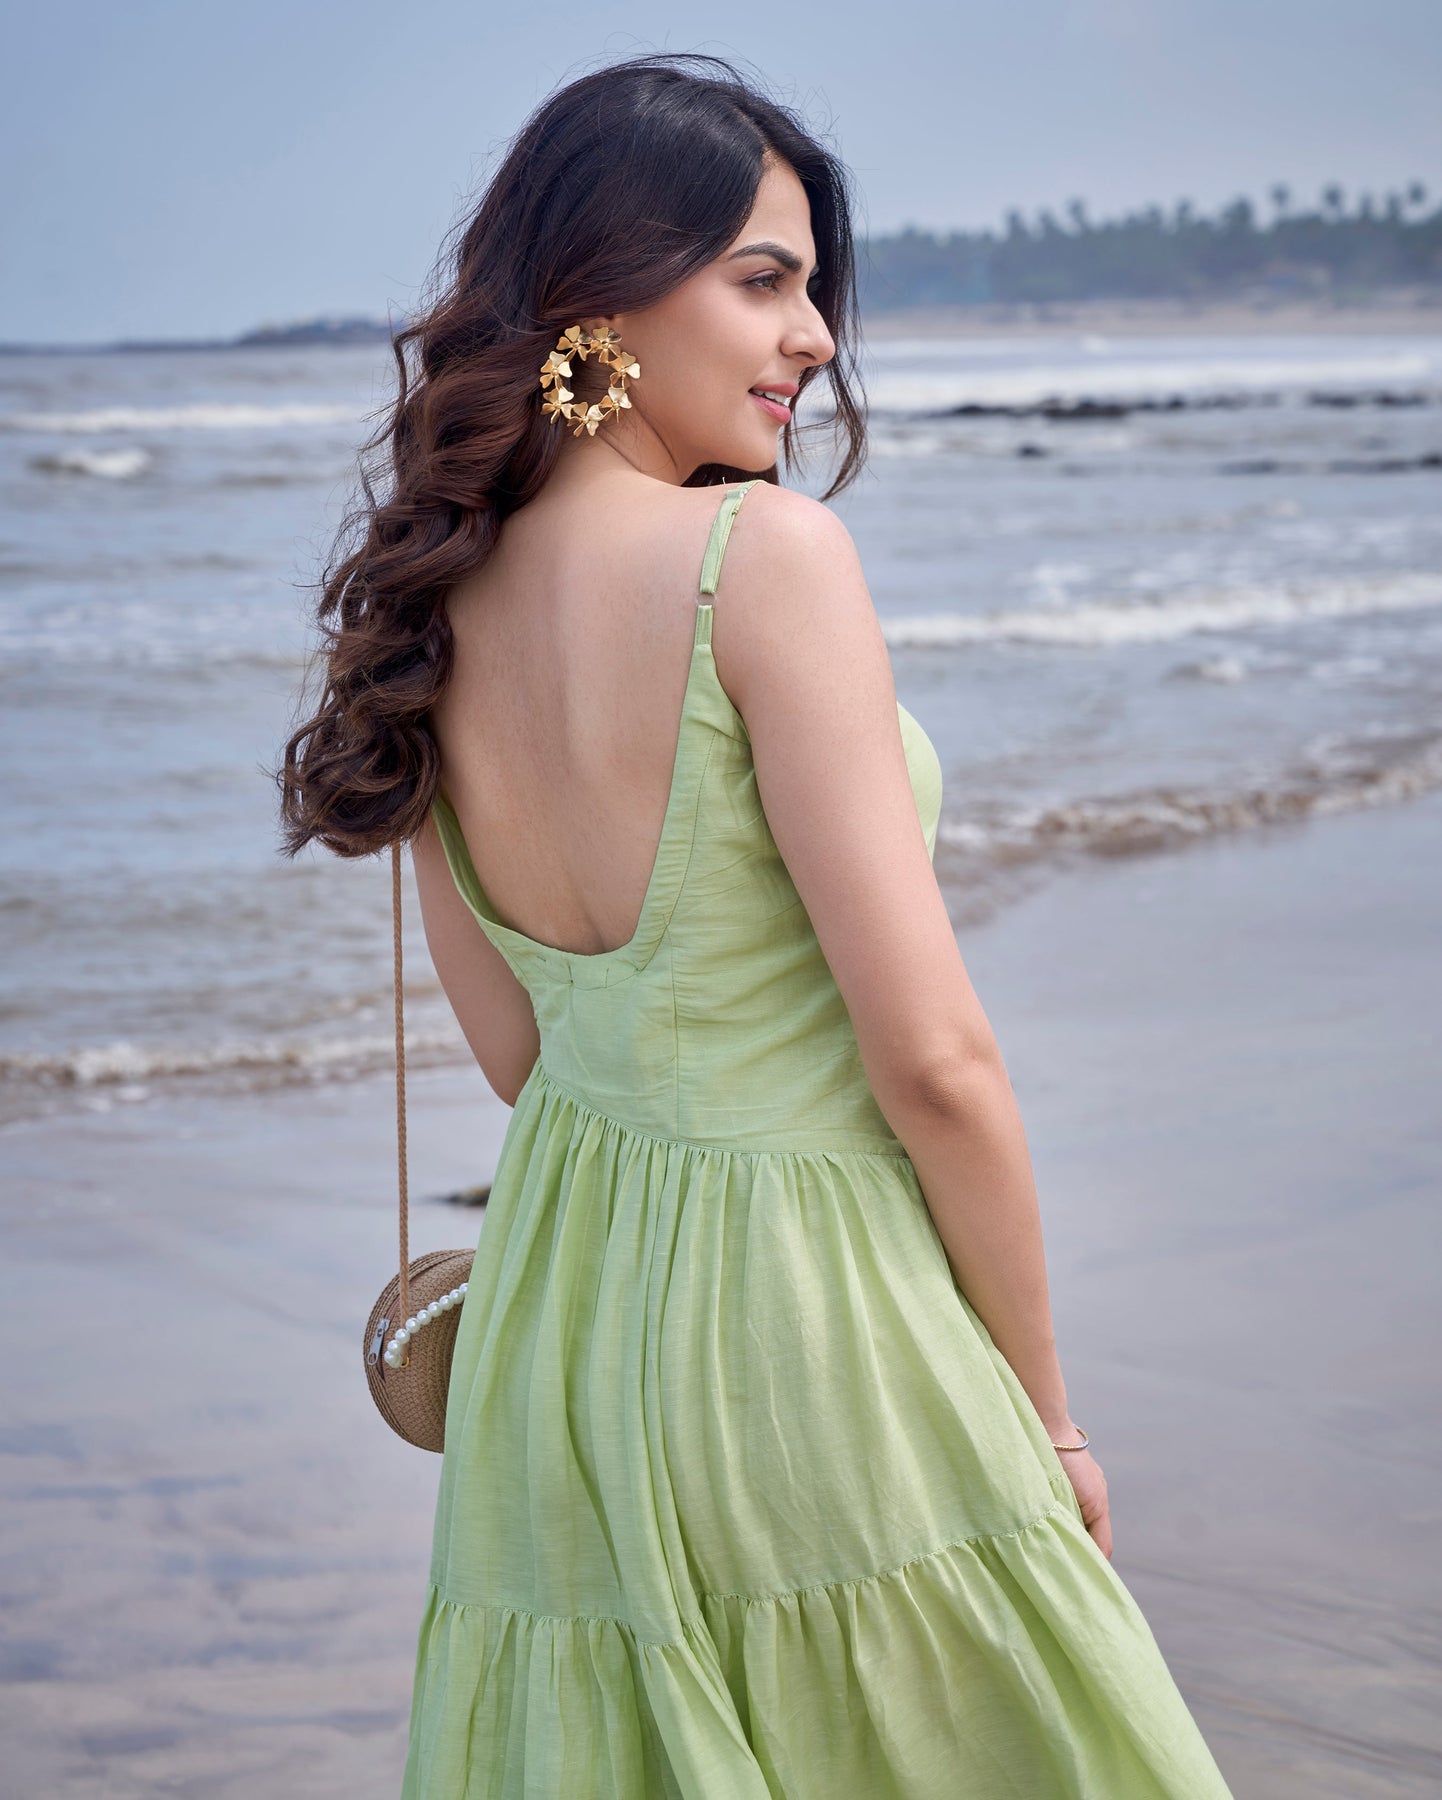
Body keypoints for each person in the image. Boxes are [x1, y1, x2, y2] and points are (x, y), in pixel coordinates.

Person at [279, 51, 1234, 1800]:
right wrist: (1046, 1415)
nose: (814, 338)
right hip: (807, 1310)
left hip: (565, 1331)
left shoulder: (425, 619)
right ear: (599, 292)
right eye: (762, 280)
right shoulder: (763, 562)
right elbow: (932, 1062)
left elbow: (522, 1059)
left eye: (812, 289)